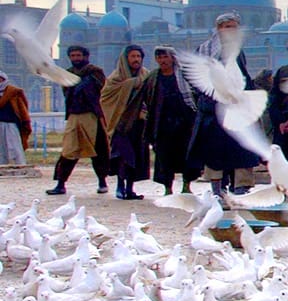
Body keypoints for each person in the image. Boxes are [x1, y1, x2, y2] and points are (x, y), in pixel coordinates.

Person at [187, 13, 261, 195]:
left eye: (234, 27)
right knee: (215, 152)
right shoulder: (205, 50)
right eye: (228, 27)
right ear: (219, 29)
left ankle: (240, 189)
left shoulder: (237, 51)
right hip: (214, 110)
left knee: (242, 148)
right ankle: (217, 191)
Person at [45, 45, 110, 195]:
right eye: (73, 56)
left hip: (92, 115)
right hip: (74, 115)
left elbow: (103, 92)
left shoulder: (95, 72)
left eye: (78, 55)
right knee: (69, 150)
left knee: (98, 150)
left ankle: (102, 182)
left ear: (85, 56)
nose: (76, 58)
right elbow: (67, 93)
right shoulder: (68, 74)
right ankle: (61, 184)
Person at [140, 47, 199, 196]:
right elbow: (146, 97)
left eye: (165, 57)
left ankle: (186, 185)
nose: (162, 61)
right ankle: (167, 187)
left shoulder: (184, 76)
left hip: (185, 123)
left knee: (187, 155)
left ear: (173, 58)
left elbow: (195, 96)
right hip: (162, 124)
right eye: (159, 57)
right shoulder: (153, 77)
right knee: (164, 158)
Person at [101, 44, 152, 200]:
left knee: (136, 157)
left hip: (139, 124)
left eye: (138, 57)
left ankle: (130, 189)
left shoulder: (147, 77)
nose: (136, 60)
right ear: (126, 59)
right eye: (133, 56)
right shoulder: (115, 79)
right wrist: (130, 85)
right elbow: (105, 99)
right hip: (121, 124)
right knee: (123, 156)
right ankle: (120, 186)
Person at [0, 71, 32, 165]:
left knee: (14, 146)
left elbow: (22, 109)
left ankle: (19, 165)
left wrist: (25, 122)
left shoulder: (14, 92)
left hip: (10, 124)